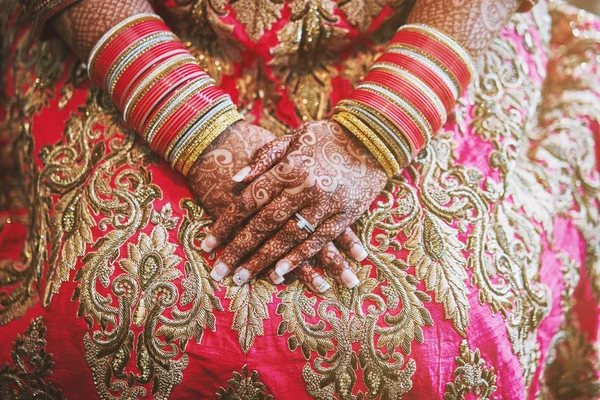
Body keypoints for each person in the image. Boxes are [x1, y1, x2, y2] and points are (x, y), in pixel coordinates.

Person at [0, 0, 599, 398]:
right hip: (139, 30)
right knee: (110, 310)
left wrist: (380, 131)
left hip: (433, 25)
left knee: (456, 332)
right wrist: (196, 129)